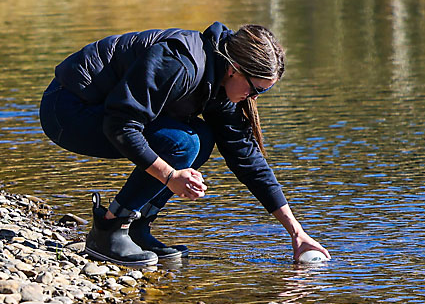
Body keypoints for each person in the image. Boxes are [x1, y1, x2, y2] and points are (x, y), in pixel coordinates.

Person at [39, 21, 330, 268]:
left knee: (202, 138)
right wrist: (169, 176)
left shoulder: (219, 83)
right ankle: (109, 230)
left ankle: (137, 228)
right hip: (68, 110)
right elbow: (121, 125)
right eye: (257, 90)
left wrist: (296, 231)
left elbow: (246, 158)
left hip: (101, 112)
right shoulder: (180, 62)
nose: (254, 99)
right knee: (183, 143)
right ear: (235, 69)